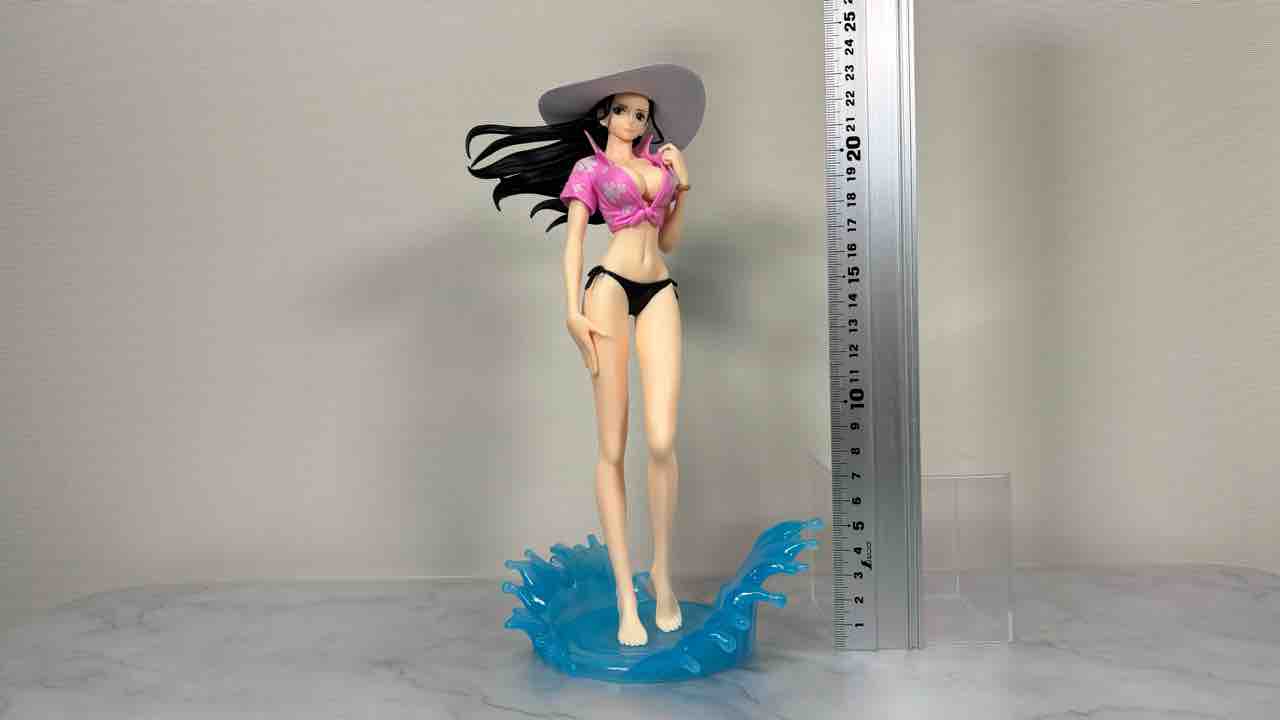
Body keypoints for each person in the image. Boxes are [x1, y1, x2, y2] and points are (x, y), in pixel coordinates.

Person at [465, 64, 705, 646]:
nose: (633, 120)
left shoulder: (659, 167)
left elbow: (669, 241)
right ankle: (626, 594)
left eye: (642, 113)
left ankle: (662, 572)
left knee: (662, 439)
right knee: (613, 446)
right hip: (609, 289)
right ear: (604, 114)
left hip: (659, 288)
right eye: (623, 110)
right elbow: (574, 243)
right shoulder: (589, 169)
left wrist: (683, 188)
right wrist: (571, 310)